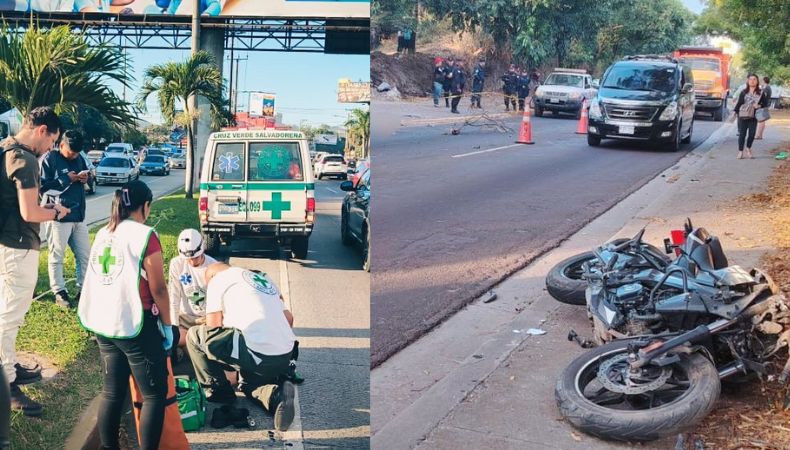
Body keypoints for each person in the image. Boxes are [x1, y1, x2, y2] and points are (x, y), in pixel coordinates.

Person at [77, 180, 172, 449]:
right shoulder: (145, 235)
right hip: (135, 325)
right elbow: (159, 289)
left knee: (112, 392)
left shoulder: (105, 232)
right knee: (154, 394)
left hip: (104, 325)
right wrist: (168, 325)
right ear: (145, 206)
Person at [0, 106, 67, 417]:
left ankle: (10, 366)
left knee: (6, 311)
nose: (51, 148)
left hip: (6, 243)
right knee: (9, 316)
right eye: (52, 141)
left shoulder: (6, 148)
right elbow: (30, 213)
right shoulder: (26, 159)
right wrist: (55, 212)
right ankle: (7, 384)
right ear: (42, 130)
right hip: (17, 246)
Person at [187, 262, 297, 431]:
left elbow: (213, 329)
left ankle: (218, 390)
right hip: (285, 356)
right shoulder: (261, 279)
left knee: (195, 335)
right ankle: (276, 397)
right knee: (246, 382)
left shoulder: (219, 280)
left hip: (258, 354)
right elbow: (289, 319)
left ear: (212, 277)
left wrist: (229, 367)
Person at [40, 129, 91, 308]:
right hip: (58, 217)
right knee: (57, 255)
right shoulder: (50, 159)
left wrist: (85, 179)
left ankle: (83, 288)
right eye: (71, 151)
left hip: (78, 215)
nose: (74, 155)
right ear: (61, 145)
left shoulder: (79, 159)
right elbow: (42, 189)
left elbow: (88, 179)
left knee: (84, 255)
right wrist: (65, 179)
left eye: (77, 152)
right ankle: (59, 291)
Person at [168, 228, 217, 351]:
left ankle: (189, 345)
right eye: (188, 258)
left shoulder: (213, 266)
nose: (192, 261)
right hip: (184, 317)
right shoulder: (176, 264)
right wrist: (174, 326)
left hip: (205, 319)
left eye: (195, 257)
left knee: (208, 346)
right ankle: (186, 343)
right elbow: (173, 297)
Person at [733, 73, 769, 159]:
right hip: (743, 116)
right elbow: (739, 103)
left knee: (752, 134)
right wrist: (735, 112)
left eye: (754, 79)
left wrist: (759, 106)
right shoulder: (743, 92)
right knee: (742, 134)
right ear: (748, 81)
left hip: (754, 116)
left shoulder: (761, 93)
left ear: (757, 81)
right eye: (750, 79)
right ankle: (740, 151)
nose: (752, 81)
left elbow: (765, 104)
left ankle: (748, 148)